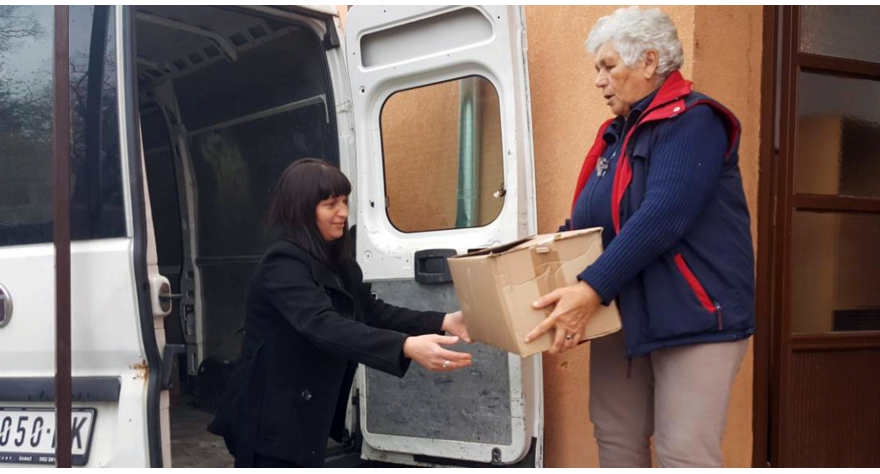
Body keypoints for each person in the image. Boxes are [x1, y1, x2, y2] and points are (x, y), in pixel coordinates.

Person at [524, 7, 755, 468]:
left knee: (683, 453)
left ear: (649, 62)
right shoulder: (616, 138)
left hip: (693, 316)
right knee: (615, 440)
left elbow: (662, 216)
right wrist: (530, 269)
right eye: (597, 69)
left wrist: (591, 288)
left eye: (608, 66)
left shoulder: (694, 122)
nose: (598, 81)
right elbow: (588, 224)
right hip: (622, 312)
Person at [208, 159, 473, 468]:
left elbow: (371, 311)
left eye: (345, 201)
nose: (343, 213)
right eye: (330, 204)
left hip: (303, 410)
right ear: (302, 210)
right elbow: (322, 325)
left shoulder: (337, 259)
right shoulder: (282, 263)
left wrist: (444, 321)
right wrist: (405, 346)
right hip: (269, 413)